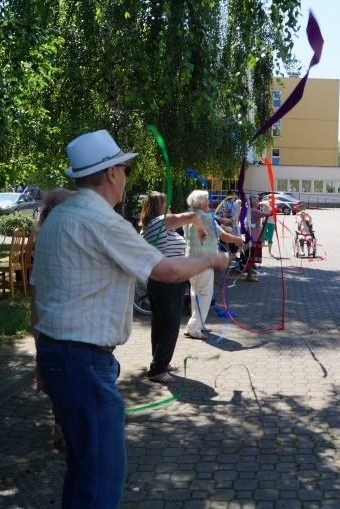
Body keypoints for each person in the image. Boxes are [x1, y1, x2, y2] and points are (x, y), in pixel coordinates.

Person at [30, 129, 229, 508]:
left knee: (83, 469)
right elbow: (167, 271)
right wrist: (211, 259)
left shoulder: (57, 219)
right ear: (110, 174)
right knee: (102, 474)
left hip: (60, 356)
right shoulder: (101, 221)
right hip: (83, 361)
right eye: (124, 167)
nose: (126, 174)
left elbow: (37, 294)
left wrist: (43, 357)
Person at [140, 192, 208, 383]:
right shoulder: (161, 221)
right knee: (170, 325)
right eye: (166, 202)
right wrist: (201, 230)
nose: (170, 205)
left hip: (160, 281)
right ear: (159, 206)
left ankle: (159, 362)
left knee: (160, 323)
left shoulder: (150, 226)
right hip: (168, 282)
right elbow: (193, 217)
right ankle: (158, 370)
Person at [32, 187, 76, 451]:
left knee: (58, 379)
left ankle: (61, 423)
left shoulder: (46, 237)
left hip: (49, 324)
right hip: (64, 326)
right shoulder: (59, 240)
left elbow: (35, 293)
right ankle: (63, 425)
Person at [183, 190, 244, 340]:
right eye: (207, 201)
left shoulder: (189, 217)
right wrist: (238, 240)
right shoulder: (205, 218)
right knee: (204, 294)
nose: (209, 203)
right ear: (200, 203)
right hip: (203, 262)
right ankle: (193, 327)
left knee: (196, 293)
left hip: (191, 261)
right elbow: (223, 236)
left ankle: (199, 324)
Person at [240, 196, 271, 281]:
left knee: (250, 256)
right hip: (253, 237)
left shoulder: (250, 210)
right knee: (251, 257)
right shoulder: (254, 211)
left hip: (250, 236)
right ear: (253, 202)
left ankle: (248, 274)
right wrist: (269, 206)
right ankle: (249, 276)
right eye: (257, 200)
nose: (258, 202)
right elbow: (269, 214)